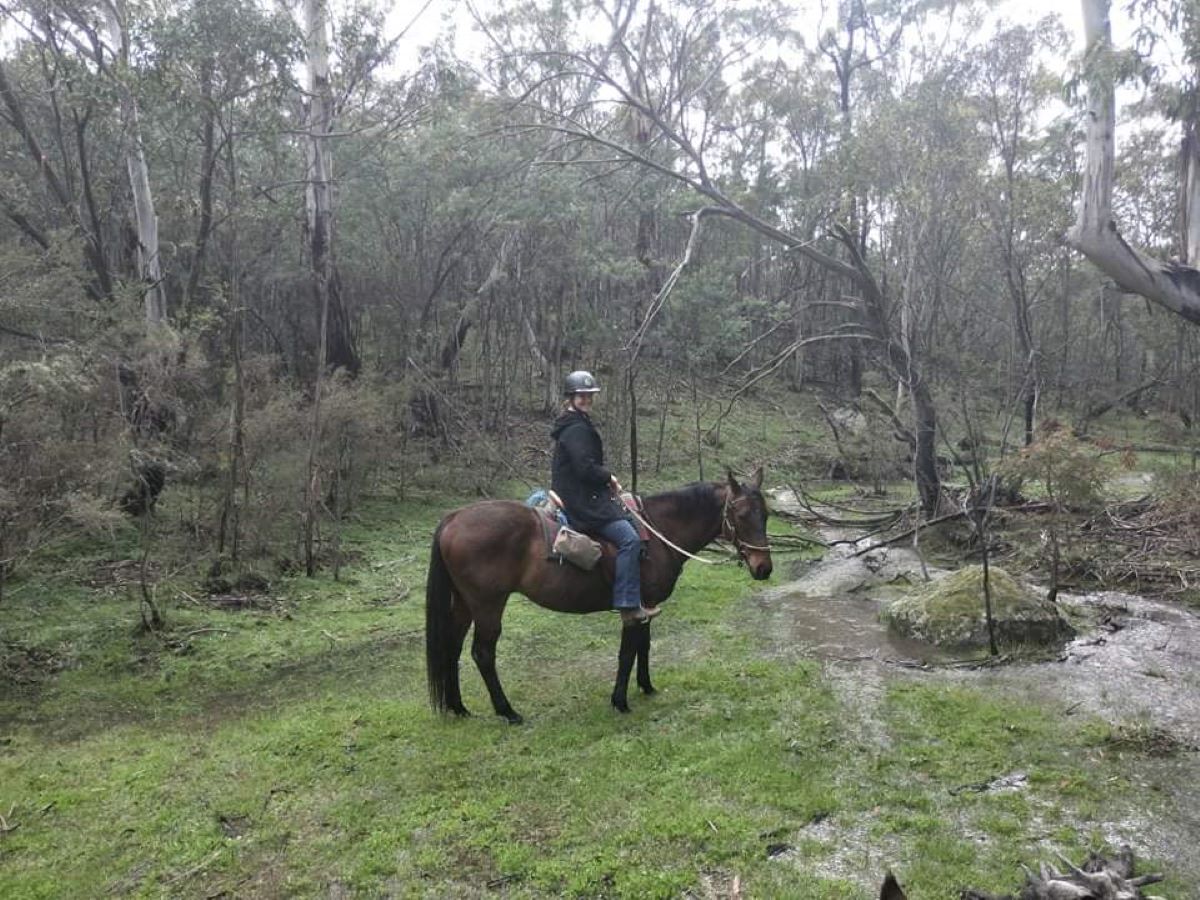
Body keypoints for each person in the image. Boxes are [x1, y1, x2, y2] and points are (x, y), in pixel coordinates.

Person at [550, 370, 660, 627]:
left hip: (580, 493)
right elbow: (585, 468)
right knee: (630, 539)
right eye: (582, 395)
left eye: (590, 395)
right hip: (582, 501)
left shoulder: (573, 422)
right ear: (572, 396)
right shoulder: (576, 428)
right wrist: (608, 477)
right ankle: (628, 605)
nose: (587, 399)